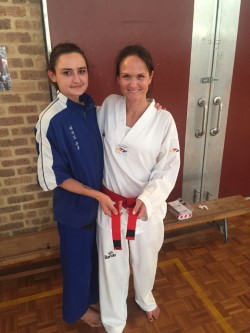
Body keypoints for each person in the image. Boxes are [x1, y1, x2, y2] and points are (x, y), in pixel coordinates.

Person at [96, 44, 180, 333]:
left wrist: (148, 198)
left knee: (146, 263)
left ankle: (144, 298)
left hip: (145, 209)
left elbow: (168, 166)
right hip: (111, 207)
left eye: (140, 76)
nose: (133, 84)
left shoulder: (163, 119)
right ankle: (114, 322)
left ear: (151, 77)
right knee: (112, 268)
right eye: (126, 76)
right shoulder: (107, 106)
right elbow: (86, 130)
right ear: (118, 79)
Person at [35, 43, 118, 327]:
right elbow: (54, 178)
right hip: (75, 209)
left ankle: (92, 298)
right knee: (77, 265)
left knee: (95, 260)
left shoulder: (92, 107)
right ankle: (77, 310)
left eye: (81, 71)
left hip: (98, 206)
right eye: (67, 72)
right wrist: (95, 194)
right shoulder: (51, 119)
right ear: (52, 76)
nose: (77, 79)